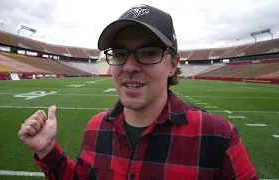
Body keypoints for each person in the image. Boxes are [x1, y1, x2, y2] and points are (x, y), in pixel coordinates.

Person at [18, 4, 258, 180]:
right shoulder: (96, 127)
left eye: (149, 52)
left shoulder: (219, 137)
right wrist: (47, 151)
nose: (130, 67)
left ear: (173, 63)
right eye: (120, 54)